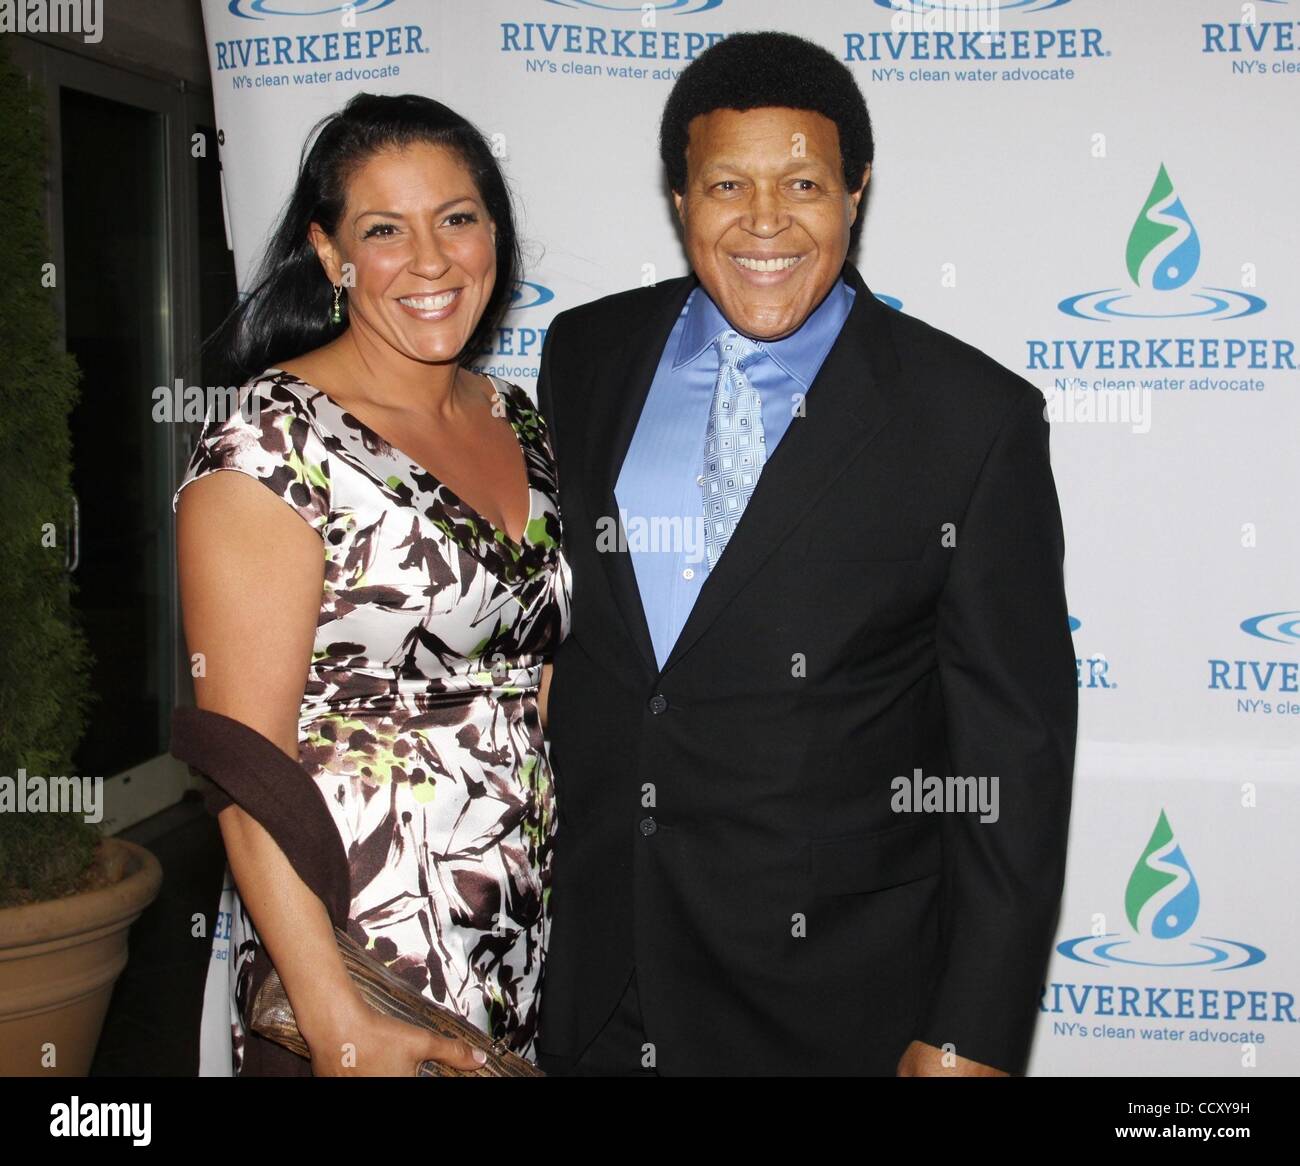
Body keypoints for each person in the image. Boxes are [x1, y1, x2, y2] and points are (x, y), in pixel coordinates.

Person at [534, 31, 1077, 1077]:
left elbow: (1012, 756)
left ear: (856, 191)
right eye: (726, 182)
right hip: (596, 966)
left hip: (830, 993)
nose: (765, 220)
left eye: (803, 183)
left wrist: (972, 1025)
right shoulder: (586, 353)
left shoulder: (970, 417)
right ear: (680, 198)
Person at [172, 93, 570, 1076]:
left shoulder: (519, 419)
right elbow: (242, 765)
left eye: (457, 218)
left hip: (525, 932)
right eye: (384, 229)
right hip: (360, 959)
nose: (431, 260)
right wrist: (333, 1014)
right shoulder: (273, 443)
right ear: (328, 251)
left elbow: (536, 680)